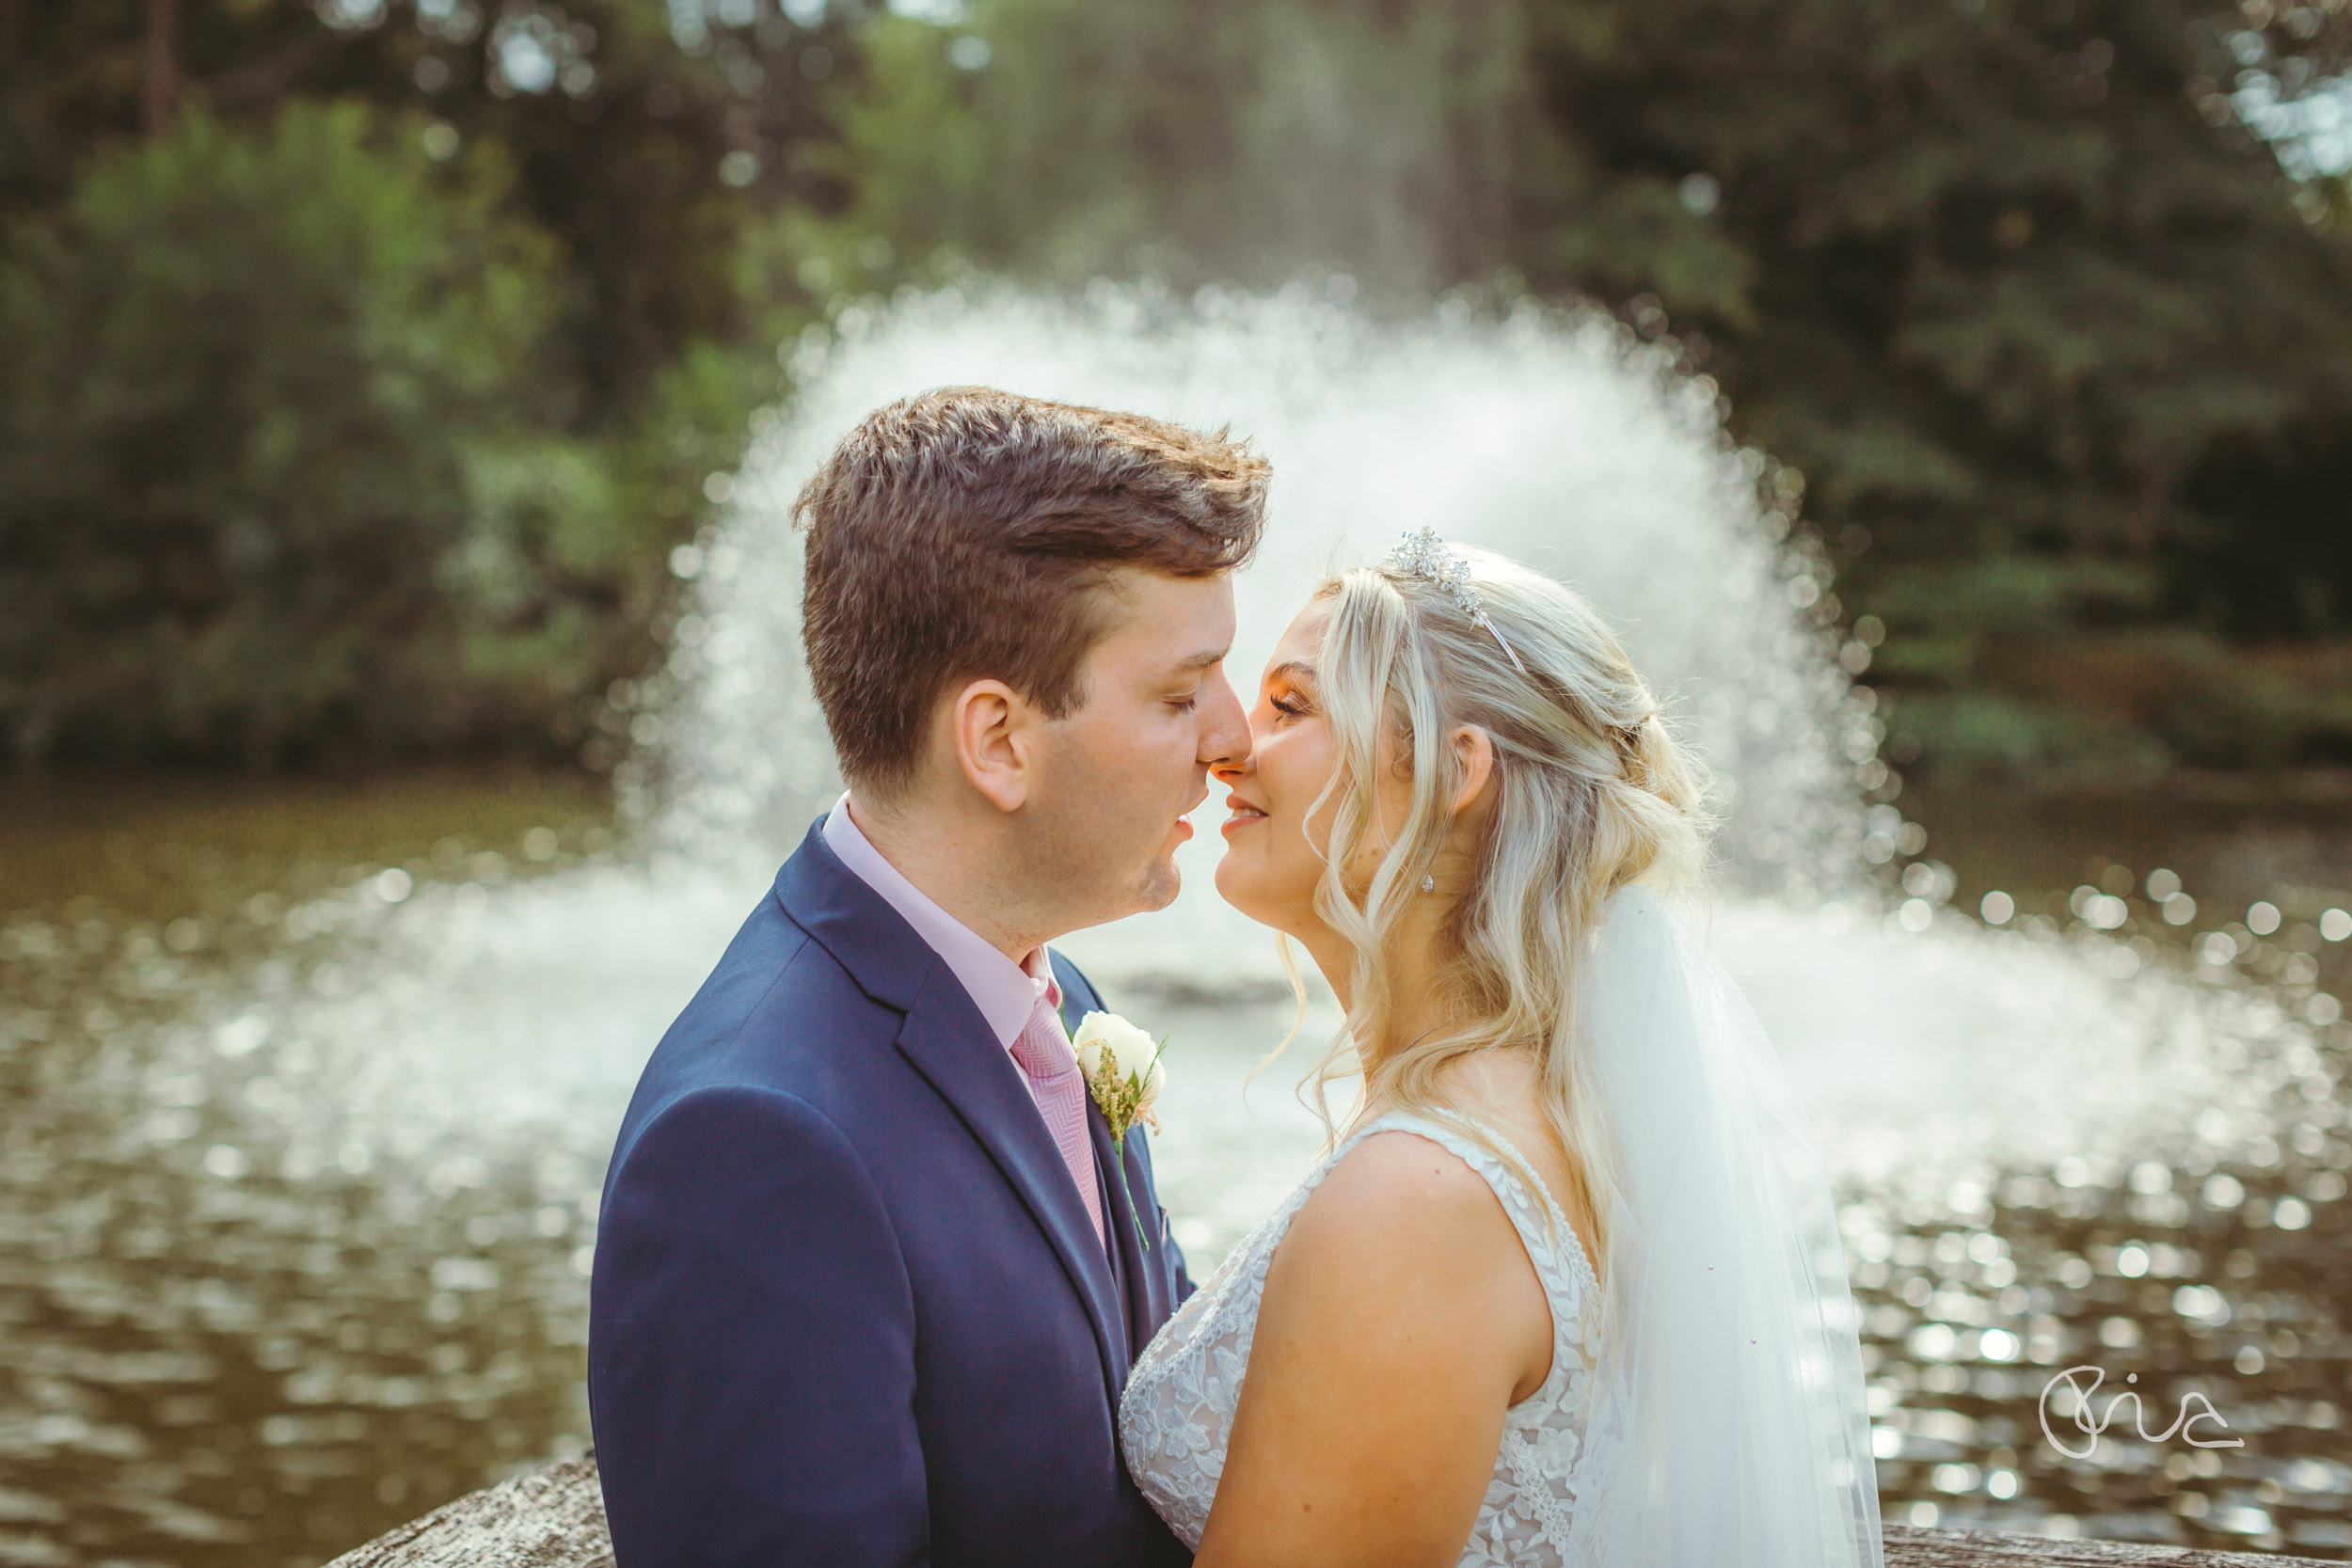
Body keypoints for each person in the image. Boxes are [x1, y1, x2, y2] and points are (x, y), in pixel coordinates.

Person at [588, 386, 1268, 1567]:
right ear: (998, 740)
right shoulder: (755, 1145)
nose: (1234, 734)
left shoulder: (1056, 996)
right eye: (1179, 692)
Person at [1119, 530, 1883, 1566]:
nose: (1229, 746)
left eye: (1291, 705)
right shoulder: (1550, 1110)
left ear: (1453, 771)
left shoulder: (1419, 1199)